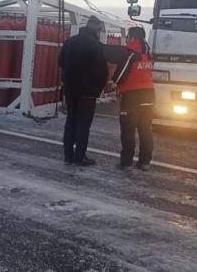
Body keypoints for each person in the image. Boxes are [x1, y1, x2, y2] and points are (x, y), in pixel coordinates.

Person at [58, 15, 109, 166]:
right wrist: (97, 90)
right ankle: (79, 157)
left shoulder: (69, 42)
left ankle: (68, 156)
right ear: (97, 29)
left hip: (70, 89)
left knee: (71, 121)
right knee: (83, 124)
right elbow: (102, 71)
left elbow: (60, 62)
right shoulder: (95, 45)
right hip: (87, 92)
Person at [112, 26, 155, 171]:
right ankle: (145, 162)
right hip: (149, 94)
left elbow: (118, 77)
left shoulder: (130, 54)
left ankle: (126, 163)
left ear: (133, 38)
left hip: (132, 96)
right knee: (145, 129)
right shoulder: (148, 54)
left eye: (128, 36)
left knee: (128, 129)